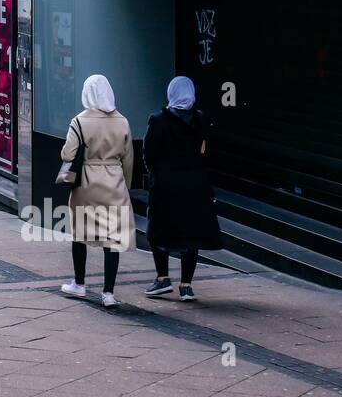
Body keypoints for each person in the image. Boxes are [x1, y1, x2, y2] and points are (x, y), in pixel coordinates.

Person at [142, 76, 222, 302]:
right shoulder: (199, 119)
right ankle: (186, 285)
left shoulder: (158, 120)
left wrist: (156, 173)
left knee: (158, 229)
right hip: (195, 184)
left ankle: (162, 278)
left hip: (166, 184)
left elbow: (148, 153)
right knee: (191, 232)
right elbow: (204, 150)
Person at [59, 74, 135, 308]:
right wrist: (126, 185)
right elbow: (128, 158)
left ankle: (79, 284)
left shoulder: (79, 121)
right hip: (114, 181)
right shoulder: (122, 121)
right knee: (113, 238)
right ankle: (108, 292)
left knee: (80, 234)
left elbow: (67, 154)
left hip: (86, 183)